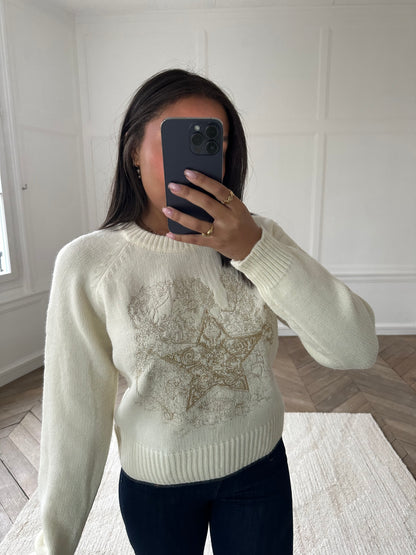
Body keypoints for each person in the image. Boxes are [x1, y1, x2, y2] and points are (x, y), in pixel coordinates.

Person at [34, 68, 379, 555]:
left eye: (212, 144)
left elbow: (357, 349)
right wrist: (54, 543)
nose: (197, 164)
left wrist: (254, 250)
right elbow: (73, 413)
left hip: (259, 469)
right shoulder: (89, 263)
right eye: (178, 142)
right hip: (155, 487)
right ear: (133, 151)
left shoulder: (260, 238)